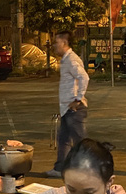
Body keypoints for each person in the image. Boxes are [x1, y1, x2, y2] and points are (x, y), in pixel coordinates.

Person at [45, 30, 90, 178]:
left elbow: (84, 77)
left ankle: (88, 170)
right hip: (67, 108)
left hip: (74, 109)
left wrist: (77, 99)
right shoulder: (65, 59)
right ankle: (60, 169)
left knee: (79, 142)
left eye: (56, 43)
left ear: (64, 43)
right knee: (63, 139)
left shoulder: (71, 59)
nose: (54, 46)